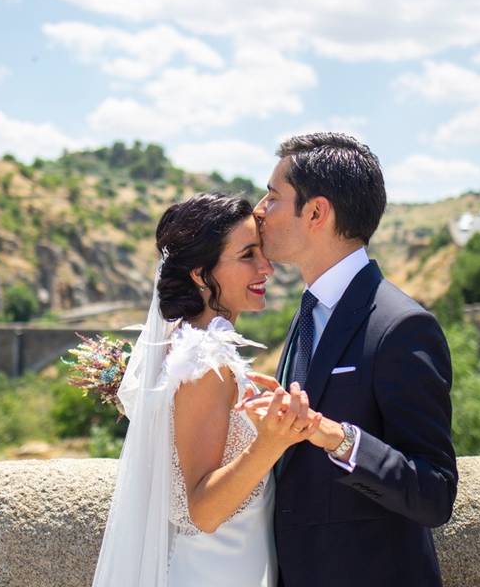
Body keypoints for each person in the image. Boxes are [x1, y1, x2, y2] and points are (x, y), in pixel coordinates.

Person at [240, 132, 458, 587]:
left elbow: (435, 492)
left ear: (316, 212)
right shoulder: (305, 315)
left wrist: (339, 438)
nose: (259, 209)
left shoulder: (401, 327)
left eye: (273, 197)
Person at [91, 193, 319, 587]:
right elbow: (204, 511)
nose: (266, 266)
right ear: (200, 273)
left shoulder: (193, 350)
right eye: (248, 255)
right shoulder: (203, 362)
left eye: (262, 251)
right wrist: (269, 442)